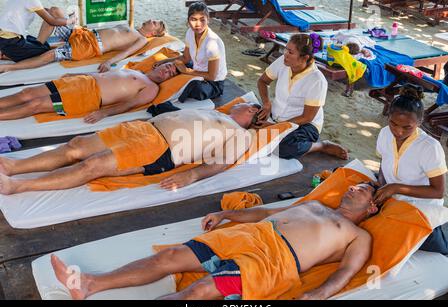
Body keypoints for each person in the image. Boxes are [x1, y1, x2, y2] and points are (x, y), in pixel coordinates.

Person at [50, 183, 378, 300]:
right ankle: (91, 285)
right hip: (250, 234)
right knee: (169, 257)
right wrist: (226, 215)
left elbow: (346, 273)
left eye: (361, 189)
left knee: (199, 291)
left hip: (273, 261)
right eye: (353, 186)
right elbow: (267, 212)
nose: (352, 188)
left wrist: (318, 294)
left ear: (372, 206)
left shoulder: (357, 235)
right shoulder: (314, 203)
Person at [0, 103, 258, 195]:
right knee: (76, 145)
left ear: (251, 111)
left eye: (245, 104)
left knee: (92, 165)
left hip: (161, 147)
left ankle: (17, 186)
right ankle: (12, 166)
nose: (239, 104)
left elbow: (222, 162)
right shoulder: (217, 112)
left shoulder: (241, 133)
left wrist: (190, 175)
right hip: (142, 129)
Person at [374, 84, 448, 254]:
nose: (398, 131)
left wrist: (395, 188)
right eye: (393, 123)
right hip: (393, 195)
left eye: (407, 127)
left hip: (420, 205)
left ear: (419, 122)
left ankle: (436, 236)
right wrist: (381, 185)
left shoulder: (430, 147)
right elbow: (384, 163)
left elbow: (438, 191)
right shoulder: (385, 133)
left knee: (433, 250)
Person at [256, 33, 348, 160]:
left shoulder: (317, 80)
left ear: (304, 57)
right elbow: (263, 81)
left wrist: (277, 127)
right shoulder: (283, 63)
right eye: (286, 49)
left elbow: (307, 117)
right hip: (276, 116)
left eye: (290, 52)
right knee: (251, 118)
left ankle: (322, 146)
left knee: (282, 148)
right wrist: (266, 104)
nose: (285, 54)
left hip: (304, 124)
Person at [0, 6, 166, 73]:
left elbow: (126, 52)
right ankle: (36, 45)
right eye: (154, 19)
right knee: (54, 11)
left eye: (155, 23)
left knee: (51, 55)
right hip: (85, 35)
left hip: (89, 47)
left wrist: (110, 62)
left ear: (153, 34)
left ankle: (7, 69)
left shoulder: (142, 39)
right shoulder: (132, 27)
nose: (152, 20)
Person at [0, 62, 178, 122]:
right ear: (160, 64)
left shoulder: (151, 88)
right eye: (168, 67)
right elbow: (104, 75)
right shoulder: (135, 70)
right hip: (81, 81)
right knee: (27, 93)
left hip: (86, 97)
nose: (167, 71)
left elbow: (130, 104)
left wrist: (103, 113)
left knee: (35, 104)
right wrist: (77, 74)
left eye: (171, 74)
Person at [157, 2, 227, 102]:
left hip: (213, 83)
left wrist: (186, 71)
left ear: (208, 20)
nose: (198, 24)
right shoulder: (190, 32)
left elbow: (212, 76)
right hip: (196, 69)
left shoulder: (212, 43)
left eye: (202, 20)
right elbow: (186, 58)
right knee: (171, 67)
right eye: (193, 19)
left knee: (195, 88)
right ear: (188, 20)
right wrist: (165, 61)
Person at [0, 0, 76, 62]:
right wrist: (71, 20)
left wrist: (53, 12)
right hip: (11, 42)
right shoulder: (32, 1)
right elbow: (52, 21)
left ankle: (8, 52)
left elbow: (43, 10)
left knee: (39, 43)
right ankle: (7, 55)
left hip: (5, 39)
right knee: (45, 50)